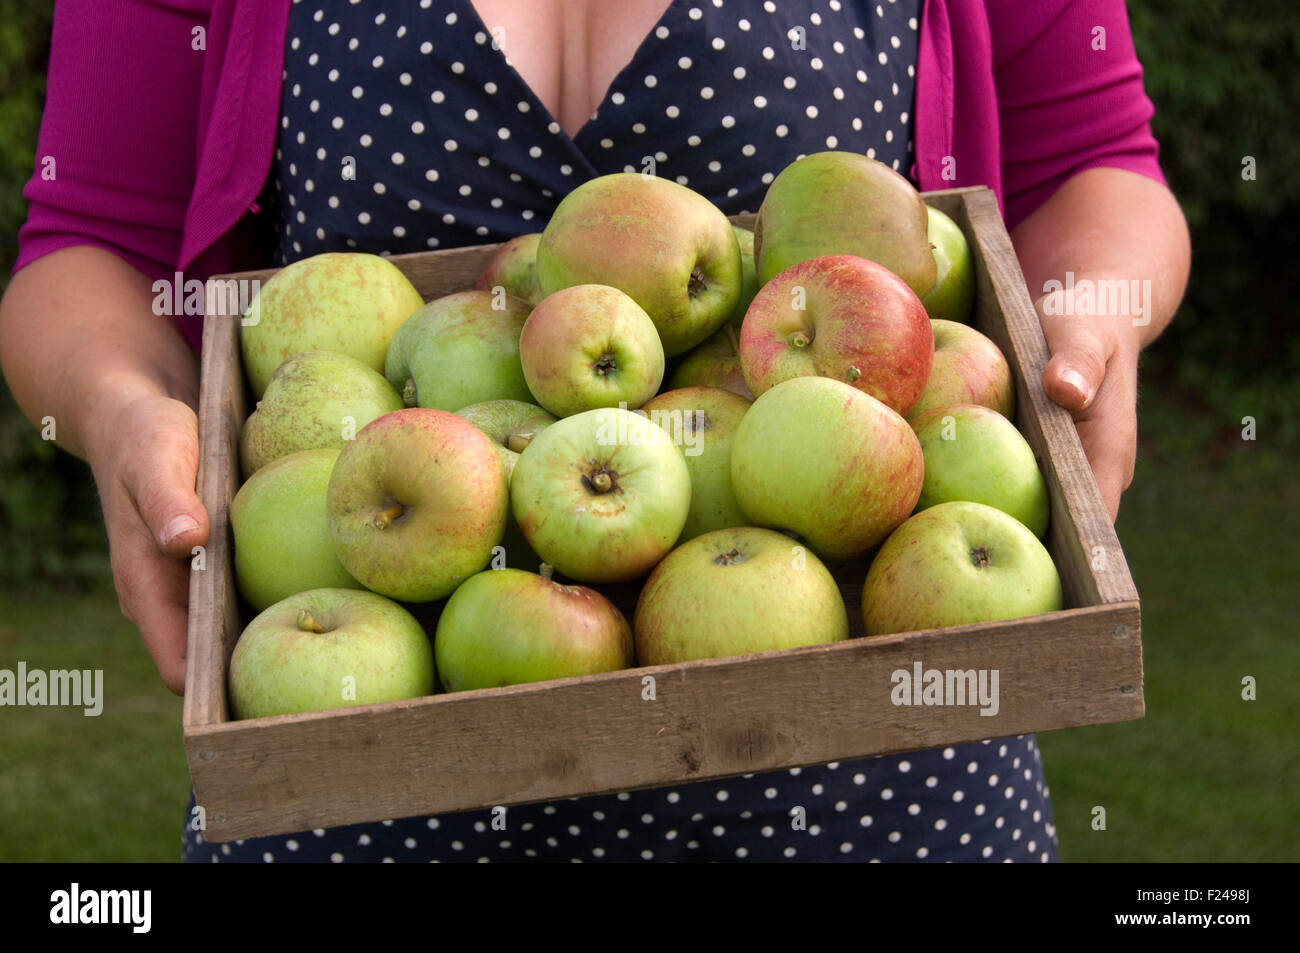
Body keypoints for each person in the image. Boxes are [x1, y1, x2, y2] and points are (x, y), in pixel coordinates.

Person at [0, 0, 1190, 862]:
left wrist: (1090, 320)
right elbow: (89, 238)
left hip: (872, 791)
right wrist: (119, 408)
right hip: (354, 796)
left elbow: (1094, 166)